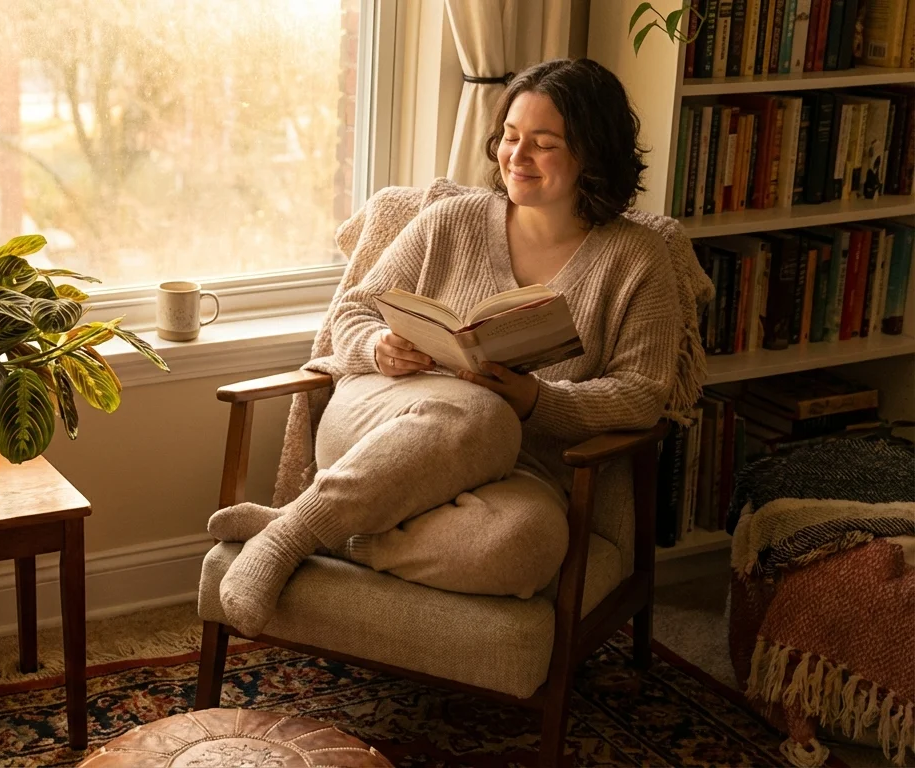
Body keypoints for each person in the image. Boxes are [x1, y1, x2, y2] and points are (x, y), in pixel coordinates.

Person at [207, 58, 683, 638]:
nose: (516, 156)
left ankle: (321, 527)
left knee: (528, 547)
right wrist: (380, 347)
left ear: (593, 152)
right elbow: (353, 313)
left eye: (544, 143)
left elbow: (641, 394)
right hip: (381, 423)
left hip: (516, 472)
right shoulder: (450, 221)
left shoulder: (638, 258)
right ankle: (289, 539)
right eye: (510, 137)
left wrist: (537, 400)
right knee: (484, 415)